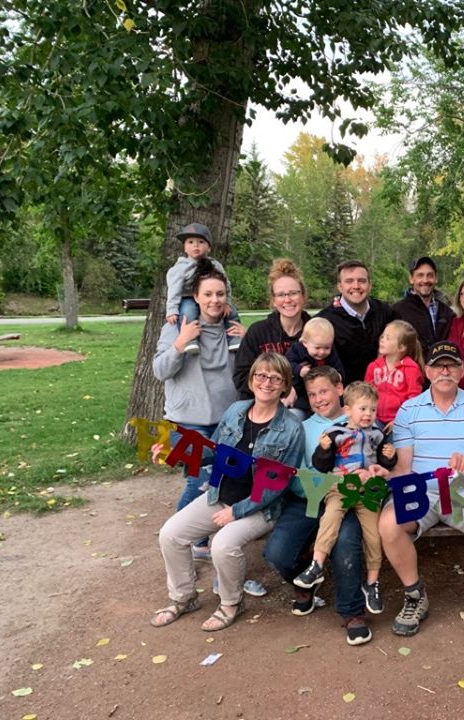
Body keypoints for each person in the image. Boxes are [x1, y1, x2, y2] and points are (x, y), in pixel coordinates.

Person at [151, 353, 304, 632]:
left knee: (223, 545)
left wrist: (237, 511)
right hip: (220, 495)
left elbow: (277, 484)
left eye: (275, 378)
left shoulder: (291, 428)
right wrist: (177, 453)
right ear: (252, 379)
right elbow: (214, 451)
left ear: (285, 385)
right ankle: (183, 597)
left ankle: (231, 603)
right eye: (261, 375)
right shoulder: (236, 411)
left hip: (260, 507)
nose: (267, 383)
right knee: (170, 534)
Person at [378, 341, 464, 637]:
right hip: (420, 490)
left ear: (462, 371)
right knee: (389, 522)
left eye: (451, 365)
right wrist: (385, 474)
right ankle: (414, 596)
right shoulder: (409, 410)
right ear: (427, 371)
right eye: (438, 366)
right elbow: (404, 467)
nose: (445, 371)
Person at [263, 366, 375, 645]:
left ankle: (352, 613)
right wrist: (321, 485)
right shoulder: (303, 429)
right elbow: (295, 474)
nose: (318, 399)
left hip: (349, 498)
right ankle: (306, 577)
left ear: (339, 389)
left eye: (323, 391)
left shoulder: (363, 418)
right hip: (309, 498)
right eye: (312, 394)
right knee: (277, 553)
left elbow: (378, 459)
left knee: (346, 542)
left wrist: (372, 472)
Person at [153, 259, 244, 561]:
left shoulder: (233, 331)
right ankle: (180, 540)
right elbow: (159, 371)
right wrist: (180, 344)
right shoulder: (177, 328)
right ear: (196, 296)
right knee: (201, 479)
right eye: (208, 294)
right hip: (185, 421)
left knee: (219, 480)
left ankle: (197, 541)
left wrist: (248, 343)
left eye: (220, 294)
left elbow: (249, 373)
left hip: (226, 421)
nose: (214, 300)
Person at [294, 382, 397, 615]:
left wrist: (389, 457)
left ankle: (372, 583)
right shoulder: (335, 433)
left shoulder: (378, 434)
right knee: (330, 518)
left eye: (373, 409)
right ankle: (316, 565)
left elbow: (384, 463)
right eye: (363, 409)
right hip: (341, 486)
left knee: (374, 535)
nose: (368, 414)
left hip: (369, 490)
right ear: (348, 410)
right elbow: (321, 465)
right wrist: (323, 450)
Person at [234, 259, 310, 403]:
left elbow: (326, 376)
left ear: (303, 296)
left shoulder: (317, 331)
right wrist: (282, 390)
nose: (287, 299)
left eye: (293, 293)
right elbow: (241, 377)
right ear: (274, 300)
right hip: (262, 405)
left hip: (305, 407)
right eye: (281, 295)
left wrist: (296, 389)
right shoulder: (258, 332)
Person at [164, 222, 240, 354]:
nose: (196, 245)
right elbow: (174, 289)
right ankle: (190, 340)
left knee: (231, 311)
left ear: (209, 247)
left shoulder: (215, 265)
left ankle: (234, 338)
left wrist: (227, 301)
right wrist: (171, 309)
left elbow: (226, 284)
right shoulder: (181, 267)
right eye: (190, 242)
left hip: (211, 296)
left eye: (201, 242)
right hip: (188, 297)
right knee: (188, 311)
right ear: (185, 248)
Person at [320, 260, 395, 385]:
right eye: (349, 281)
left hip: (384, 389)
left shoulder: (385, 312)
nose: (356, 286)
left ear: (370, 285)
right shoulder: (324, 321)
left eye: (362, 281)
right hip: (345, 391)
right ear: (340, 286)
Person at [365, 320, 424, 433]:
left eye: (388, 338)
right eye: (383, 336)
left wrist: (399, 421)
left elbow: (414, 400)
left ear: (401, 347)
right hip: (374, 419)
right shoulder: (373, 366)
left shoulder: (411, 369)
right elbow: (365, 394)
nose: (382, 340)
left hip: (400, 422)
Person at [285, 317, 345, 418]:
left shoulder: (332, 354)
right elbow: (286, 364)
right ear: (305, 343)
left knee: (338, 401)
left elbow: (339, 369)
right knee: (299, 409)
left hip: (325, 392)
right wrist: (299, 369)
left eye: (327, 347)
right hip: (302, 391)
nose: (322, 352)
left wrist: (336, 376)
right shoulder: (297, 350)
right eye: (317, 348)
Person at [391, 256, 454, 351]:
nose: (425, 280)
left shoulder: (447, 313)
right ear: (411, 279)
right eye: (420, 275)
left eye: (430, 275)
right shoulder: (396, 311)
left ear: (436, 278)